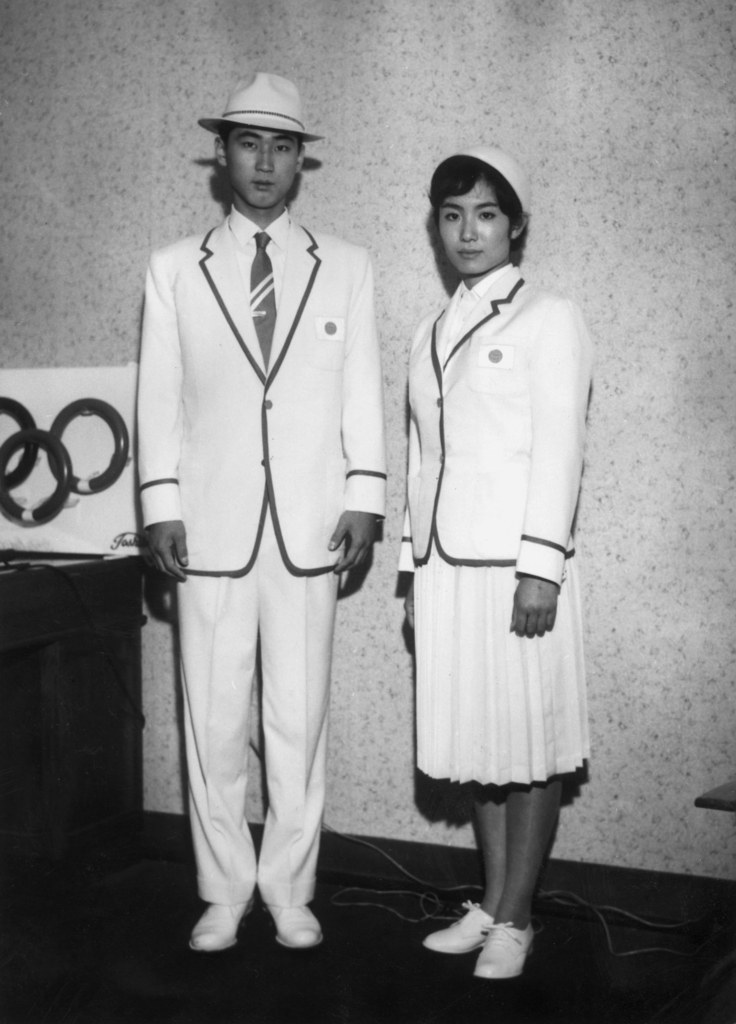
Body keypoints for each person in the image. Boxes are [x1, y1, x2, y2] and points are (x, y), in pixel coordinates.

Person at [137, 72, 386, 953]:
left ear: (300, 160)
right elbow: (158, 397)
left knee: (297, 718)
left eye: (283, 147)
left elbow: (361, 390)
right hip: (207, 529)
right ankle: (222, 889)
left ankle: (288, 889)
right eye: (250, 144)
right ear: (223, 153)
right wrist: (160, 505)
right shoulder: (174, 268)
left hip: (312, 527)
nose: (266, 163)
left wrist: (366, 496)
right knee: (212, 719)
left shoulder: (347, 266)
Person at [400, 145, 592, 979]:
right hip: (449, 567)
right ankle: (489, 903)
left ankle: (519, 917)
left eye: (485, 214)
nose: (467, 231)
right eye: (452, 216)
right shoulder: (430, 329)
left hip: (519, 567)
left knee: (528, 741)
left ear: (516, 226)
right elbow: (424, 458)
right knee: (478, 742)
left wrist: (541, 566)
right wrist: (415, 568)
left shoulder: (549, 317)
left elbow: (561, 449)